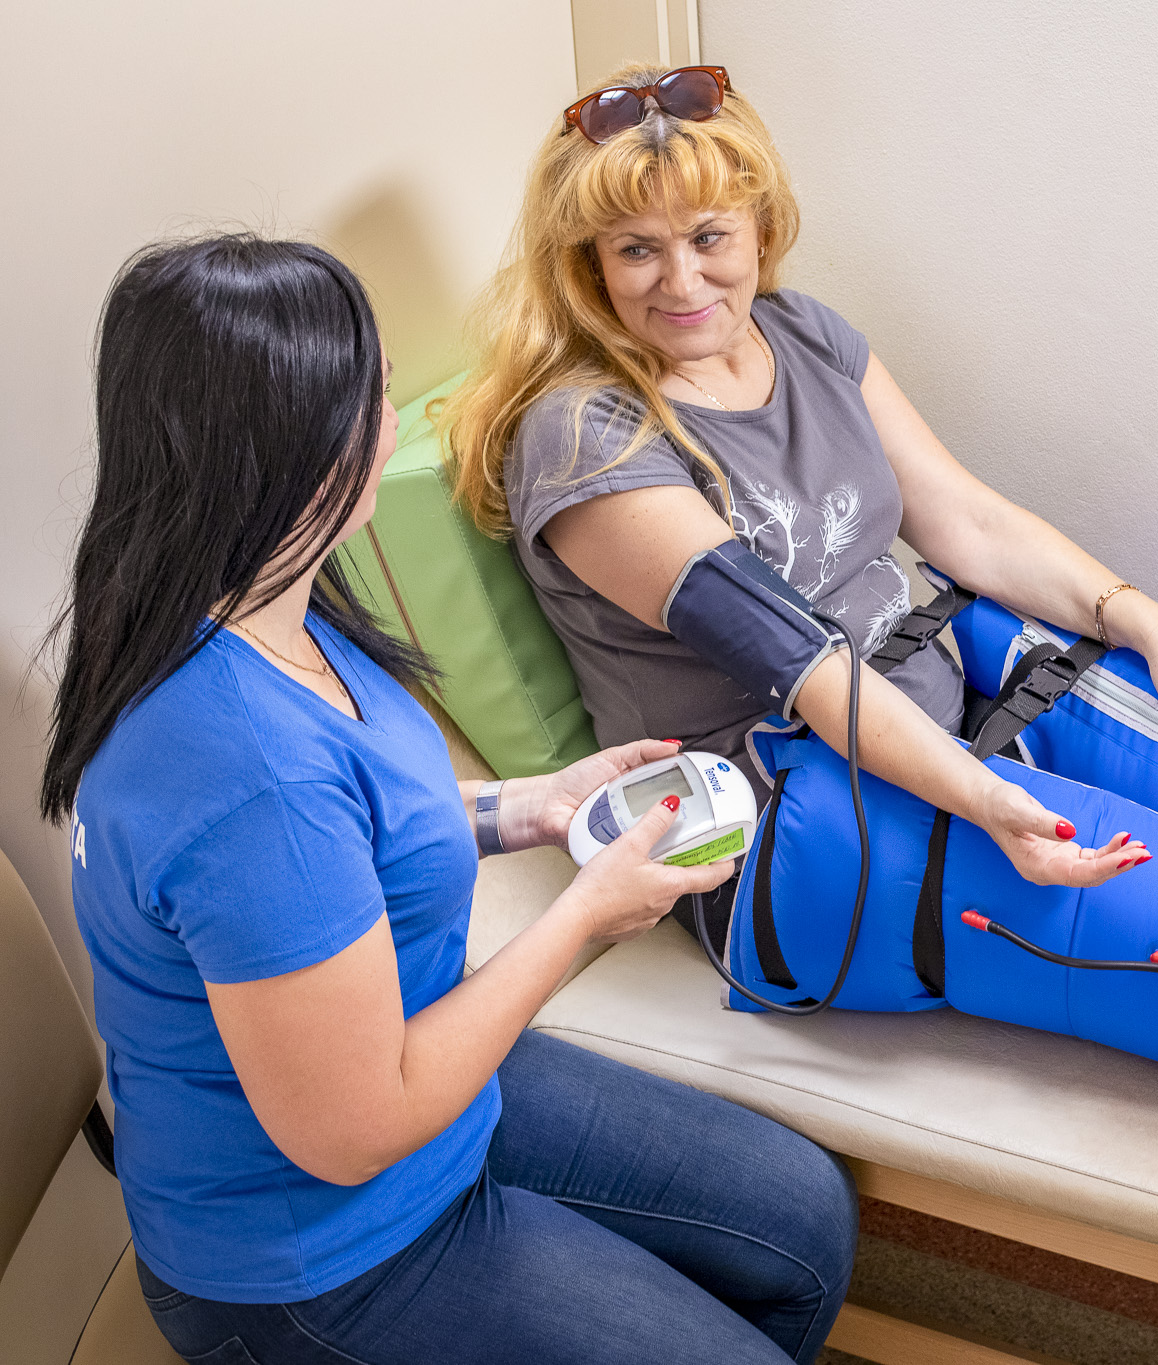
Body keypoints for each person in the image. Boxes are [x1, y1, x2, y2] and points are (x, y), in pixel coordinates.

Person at [44, 235, 856, 1365]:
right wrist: (584, 914)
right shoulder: (237, 770)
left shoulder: (264, 602)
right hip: (324, 1254)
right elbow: (356, 1126)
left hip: (428, 1092)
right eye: (375, 396)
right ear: (296, 447)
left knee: (801, 1222)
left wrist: (529, 806)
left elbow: (351, 829)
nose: (395, 420)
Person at [445, 64, 1158, 906]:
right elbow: (805, 666)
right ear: (589, 266)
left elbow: (968, 522)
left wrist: (1154, 623)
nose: (683, 281)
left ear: (760, 226)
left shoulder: (802, 333)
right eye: (638, 250)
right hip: (782, 818)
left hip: (930, 721)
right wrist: (984, 800)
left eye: (709, 236)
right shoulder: (582, 435)